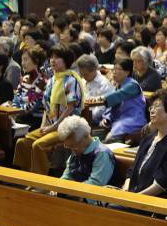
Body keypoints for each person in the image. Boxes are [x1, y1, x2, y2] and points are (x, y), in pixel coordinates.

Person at [13, 45, 84, 175]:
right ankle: (25, 175)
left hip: (66, 128)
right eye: (51, 57)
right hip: (50, 125)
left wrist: (53, 127)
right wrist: (43, 126)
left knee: (38, 145)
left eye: (57, 57)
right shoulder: (52, 80)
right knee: (22, 142)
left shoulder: (71, 80)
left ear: (66, 60)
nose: (52, 60)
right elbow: (47, 107)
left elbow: (70, 108)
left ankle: (40, 182)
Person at [124, 89, 167, 199]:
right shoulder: (148, 139)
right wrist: (125, 191)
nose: (152, 110)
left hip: (155, 204)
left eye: (157, 106)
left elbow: (161, 184)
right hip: (133, 197)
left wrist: (134, 199)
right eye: (151, 107)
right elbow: (132, 170)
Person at [87, 57, 147, 141]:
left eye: (118, 69)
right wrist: (106, 118)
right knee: (91, 131)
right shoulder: (118, 86)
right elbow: (111, 106)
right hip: (118, 119)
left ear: (127, 72)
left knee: (109, 139)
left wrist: (96, 100)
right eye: (113, 69)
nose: (114, 72)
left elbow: (116, 96)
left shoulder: (132, 85)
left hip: (132, 120)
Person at [59, 116, 116, 187]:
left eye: (74, 146)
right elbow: (67, 176)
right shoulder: (76, 151)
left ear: (85, 137)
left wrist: (69, 190)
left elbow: (94, 186)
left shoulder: (102, 155)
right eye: (68, 146)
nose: (72, 150)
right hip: (75, 194)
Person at [11, 47, 48, 129]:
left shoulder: (43, 82)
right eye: (22, 60)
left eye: (26, 60)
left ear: (36, 61)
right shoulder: (25, 78)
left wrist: (15, 111)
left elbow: (31, 106)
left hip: (34, 121)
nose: (23, 63)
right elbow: (16, 98)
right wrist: (13, 109)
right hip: (20, 118)